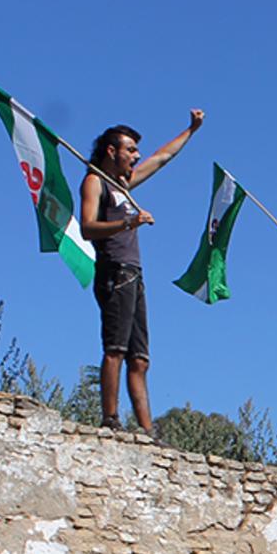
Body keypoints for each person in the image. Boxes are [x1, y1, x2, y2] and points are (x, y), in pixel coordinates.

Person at [78, 111, 204, 432]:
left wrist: (191, 129)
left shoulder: (124, 184)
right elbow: (88, 228)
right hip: (114, 271)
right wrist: (127, 222)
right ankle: (110, 418)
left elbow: (161, 158)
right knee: (115, 349)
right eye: (130, 150)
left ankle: (147, 430)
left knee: (140, 358)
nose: (136, 157)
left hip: (135, 273)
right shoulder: (95, 182)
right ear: (111, 151)